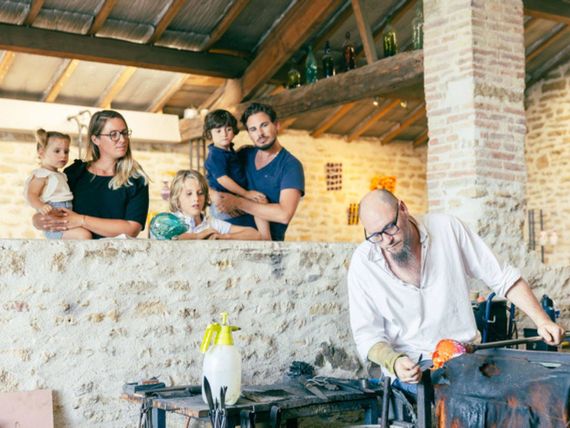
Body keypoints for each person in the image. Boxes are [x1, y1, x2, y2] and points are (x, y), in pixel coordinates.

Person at [348, 189, 565, 387]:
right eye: (376, 235)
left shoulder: (447, 228)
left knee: (519, 388)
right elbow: (367, 336)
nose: (386, 241)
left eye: (390, 228)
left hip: (465, 355)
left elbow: (502, 276)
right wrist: (393, 361)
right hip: (411, 366)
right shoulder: (363, 263)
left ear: (403, 209)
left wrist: (542, 320)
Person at [33, 110, 149, 239]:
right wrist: (38, 220)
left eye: (124, 133)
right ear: (95, 139)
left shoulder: (137, 179)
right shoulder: (75, 173)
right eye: (113, 134)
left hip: (117, 256)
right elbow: (52, 206)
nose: (122, 139)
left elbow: (131, 229)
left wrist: (81, 220)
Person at [211, 103, 304, 241]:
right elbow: (212, 179)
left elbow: (284, 215)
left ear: (277, 125)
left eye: (264, 125)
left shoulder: (290, 165)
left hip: (265, 250)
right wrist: (215, 197)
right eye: (253, 129)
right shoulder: (243, 154)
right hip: (225, 241)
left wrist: (238, 202)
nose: (259, 134)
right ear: (249, 133)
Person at [203, 109, 271, 240]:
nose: (224, 134)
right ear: (209, 134)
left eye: (228, 129)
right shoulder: (215, 155)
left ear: (234, 131)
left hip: (233, 197)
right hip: (222, 202)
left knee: (261, 201)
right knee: (259, 201)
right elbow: (223, 179)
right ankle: (266, 238)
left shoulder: (229, 151)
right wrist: (245, 194)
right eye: (218, 131)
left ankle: (265, 238)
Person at [25, 129, 90, 239]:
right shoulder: (42, 175)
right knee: (84, 235)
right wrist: (41, 206)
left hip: (66, 215)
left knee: (85, 232)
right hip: (54, 220)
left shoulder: (60, 175)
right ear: (42, 152)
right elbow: (31, 194)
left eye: (66, 151)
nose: (63, 155)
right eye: (57, 151)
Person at [162, 169, 261, 240]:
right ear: (177, 198)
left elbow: (255, 234)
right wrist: (198, 236)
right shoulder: (170, 221)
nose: (196, 198)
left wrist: (225, 237)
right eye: (189, 194)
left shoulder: (213, 224)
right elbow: (168, 237)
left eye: (200, 193)